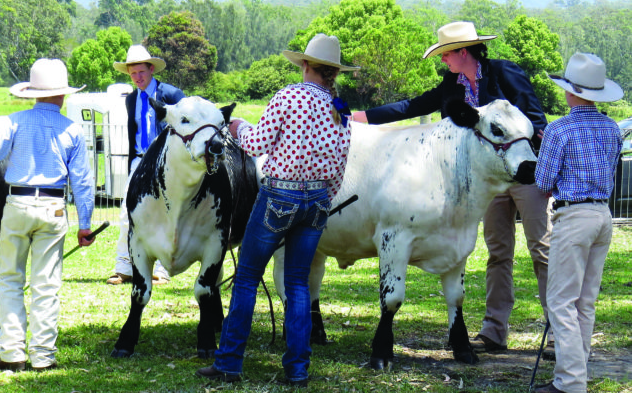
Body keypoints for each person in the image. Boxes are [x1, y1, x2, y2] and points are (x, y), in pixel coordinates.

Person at [351, 21, 553, 355]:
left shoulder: (505, 73)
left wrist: (543, 168)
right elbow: (413, 106)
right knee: (498, 253)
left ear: (463, 52)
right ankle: (494, 332)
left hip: (525, 173)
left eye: (446, 54)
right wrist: (361, 117)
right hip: (488, 180)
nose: (443, 60)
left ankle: (557, 332)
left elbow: (536, 119)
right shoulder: (451, 86)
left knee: (542, 250)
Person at [195, 33, 358, 387]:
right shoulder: (341, 109)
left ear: (305, 64)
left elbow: (256, 144)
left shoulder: (289, 96)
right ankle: (297, 370)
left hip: (279, 196)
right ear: (333, 72)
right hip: (317, 201)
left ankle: (229, 363)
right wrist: (322, 199)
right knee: (298, 283)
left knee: (247, 278)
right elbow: (341, 164)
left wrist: (238, 127)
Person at [0, 58, 96, 371]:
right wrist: (85, 224)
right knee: (46, 285)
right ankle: (43, 356)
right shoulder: (72, 130)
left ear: (33, 93)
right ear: (62, 94)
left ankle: (12, 354)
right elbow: (82, 181)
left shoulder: (15, 122)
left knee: (10, 279)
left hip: (18, 205)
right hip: (53, 207)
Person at [533, 53, 623, 393]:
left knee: (561, 302)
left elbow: (543, 183)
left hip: (573, 217)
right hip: (602, 215)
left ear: (571, 91)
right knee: (585, 301)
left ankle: (570, 382)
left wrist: (549, 154)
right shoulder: (612, 128)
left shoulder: (558, 129)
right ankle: (576, 375)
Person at [106, 44, 185, 285]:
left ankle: (161, 269)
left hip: (166, 163)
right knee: (127, 213)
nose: (137, 77)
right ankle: (124, 267)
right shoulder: (131, 99)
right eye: (133, 73)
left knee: (165, 215)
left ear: (151, 69)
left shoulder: (171, 94)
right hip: (139, 162)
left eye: (141, 72)